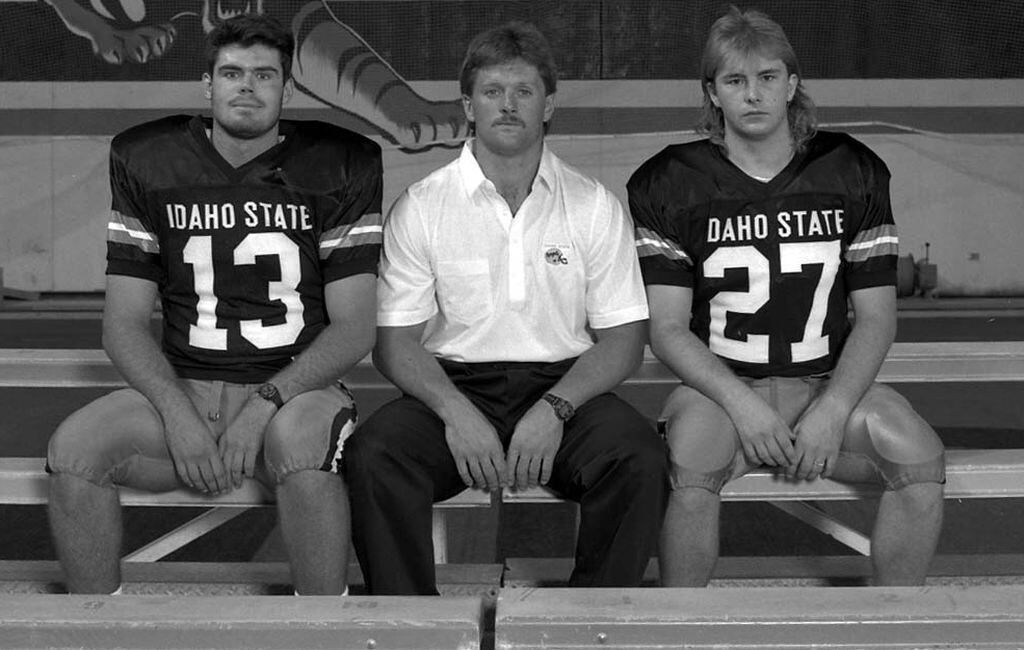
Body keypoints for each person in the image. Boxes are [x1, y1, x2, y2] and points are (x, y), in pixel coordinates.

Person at [46, 13, 382, 595]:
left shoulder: (341, 162)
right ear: (208, 85)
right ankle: (95, 626)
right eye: (231, 73)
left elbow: (354, 329)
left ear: (288, 89)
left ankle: (323, 622)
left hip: (295, 392)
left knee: (304, 455)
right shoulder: (147, 159)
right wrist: (178, 413)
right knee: (75, 451)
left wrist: (262, 407)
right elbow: (122, 325)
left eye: (263, 75)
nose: (246, 86)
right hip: (188, 386)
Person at [344, 20, 669, 595]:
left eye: (524, 91)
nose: (508, 105)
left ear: (549, 106)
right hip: (454, 387)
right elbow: (396, 345)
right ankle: (415, 626)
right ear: (468, 106)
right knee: (375, 455)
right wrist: (457, 414)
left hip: (564, 388)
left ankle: (588, 626)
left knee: (639, 459)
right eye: (492, 92)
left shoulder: (593, 204)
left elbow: (625, 338)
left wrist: (554, 409)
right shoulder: (423, 206)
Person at [628, 6, 945, 587]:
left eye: (768, 77)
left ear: (792, 84)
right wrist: (743, 405)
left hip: (825, 383)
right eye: (735, 81)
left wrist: (831, 410)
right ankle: (680, 624)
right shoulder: (669, 182)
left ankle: (894, 618)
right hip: (721, 393)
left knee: (917, 454)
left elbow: (876, 318)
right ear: (712, 93)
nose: (753, 95)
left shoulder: (850, 169)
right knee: (690, 461)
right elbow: (667, 329)